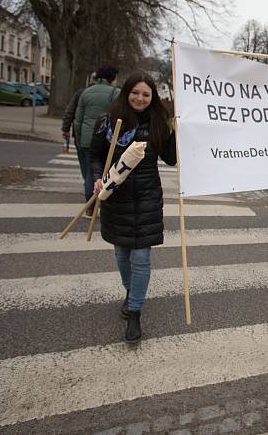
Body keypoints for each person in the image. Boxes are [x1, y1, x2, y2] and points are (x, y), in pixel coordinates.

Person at [90, 73, 177, 344]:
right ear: (126, 93)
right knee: (121, 254)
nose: (140, 98)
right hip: (116, 199)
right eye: (135, 93)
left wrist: (175, 131)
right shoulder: (107, 122)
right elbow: (95, 156)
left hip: (147, 199)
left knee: (141, 258)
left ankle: (135, 312)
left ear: (153, 98)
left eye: (146, 94)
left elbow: (172, 159)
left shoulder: (157, 125)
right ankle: (131, 292)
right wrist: (96, 177)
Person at [74, 65, 119, 210]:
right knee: (104, 172)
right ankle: (101, 203)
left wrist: (80, 138)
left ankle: (90, 206)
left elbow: (78, 119)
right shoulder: (116, 93)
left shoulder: (86, 92)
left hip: (86, 138)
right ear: (113, 78)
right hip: (106, 140)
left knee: (89, 173)